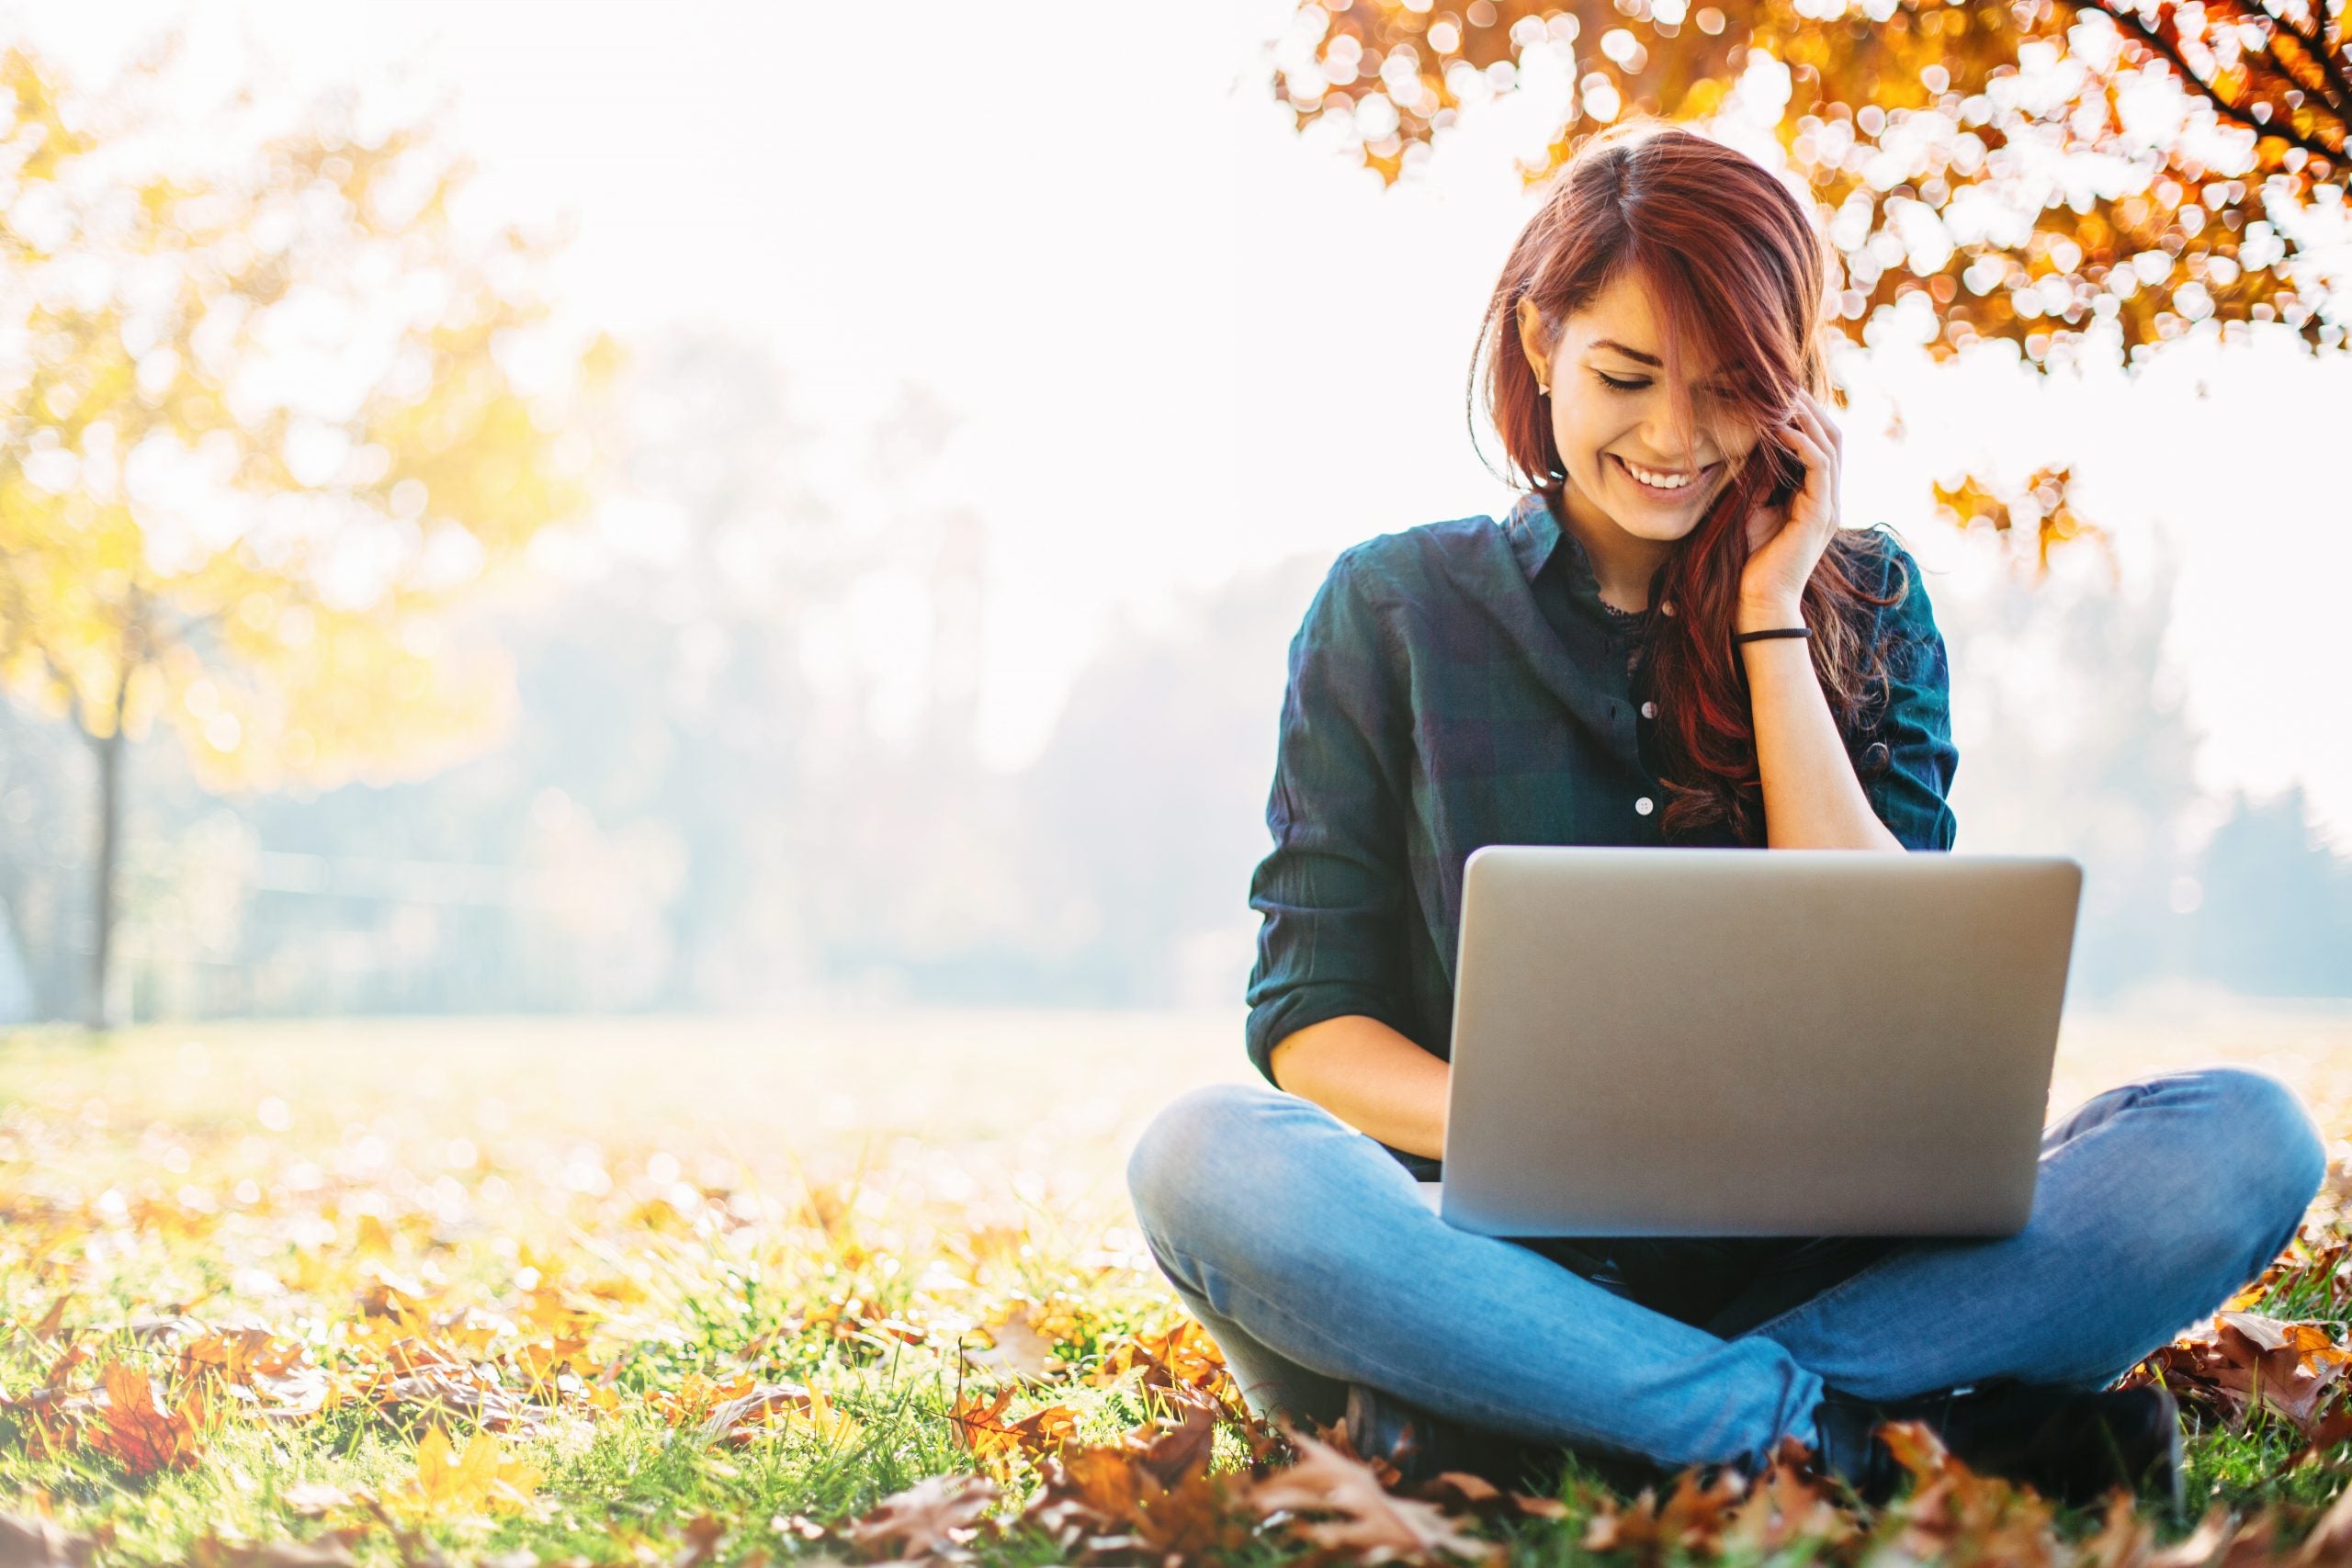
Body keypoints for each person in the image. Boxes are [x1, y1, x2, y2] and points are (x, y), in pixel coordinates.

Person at [1122, 118, 2327, 1507]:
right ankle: (1837, 1440)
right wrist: (1550, 1140)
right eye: (1626, 377)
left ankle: (1598, 1425)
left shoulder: (1867, 601)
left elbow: (1891, 976)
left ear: (1796, 386)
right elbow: (1308, 1022)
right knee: (1203, 1158)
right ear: (1537, 343)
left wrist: (1771, 620)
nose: (1676, 440)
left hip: (1838, 1267)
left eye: (1732, 389)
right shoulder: (1391, 607)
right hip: (1484, 1269)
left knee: (2245, 1136)